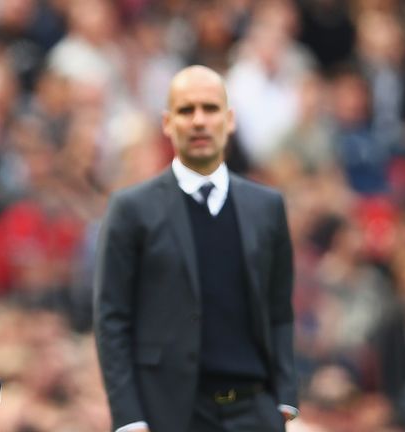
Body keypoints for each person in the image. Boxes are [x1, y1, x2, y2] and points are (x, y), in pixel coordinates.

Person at [93, 65, 298, 432]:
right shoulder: (132, 208)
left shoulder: (266, 207)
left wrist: (285, 398)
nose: (199, 121)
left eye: (210, 108)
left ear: (230, 119)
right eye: (186, 111)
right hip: (170, 413)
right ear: (167, 123)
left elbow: (280, 311)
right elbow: (112, 318)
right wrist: (128, 418)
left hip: (256, 410)